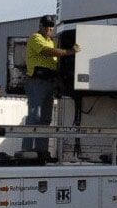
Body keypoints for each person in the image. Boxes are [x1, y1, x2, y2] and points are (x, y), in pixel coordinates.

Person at [22, 14, 80, 154]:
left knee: (46, 118)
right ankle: (27, 150)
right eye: (46, 26)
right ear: (40, 26)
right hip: (36, 81)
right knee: (34, 116)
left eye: (51, 27)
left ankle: (41, 150)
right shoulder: (36, 38)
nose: (49, 29)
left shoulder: (51, 41)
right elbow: (46, 52)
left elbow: (53, 59)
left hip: (48, 81)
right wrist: (69, 52)